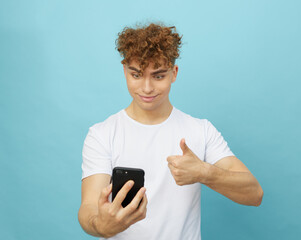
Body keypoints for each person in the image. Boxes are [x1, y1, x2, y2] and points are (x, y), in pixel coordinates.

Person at [78, 22, 263, 240]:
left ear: (174, 73)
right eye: (136, 75)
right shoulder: (102, 134)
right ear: (124, 71)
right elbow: (88, 208)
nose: (147, 88)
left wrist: (204, 172)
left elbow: (255, 194)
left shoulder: (200, 130)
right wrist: (101, 225)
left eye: (158, 76)